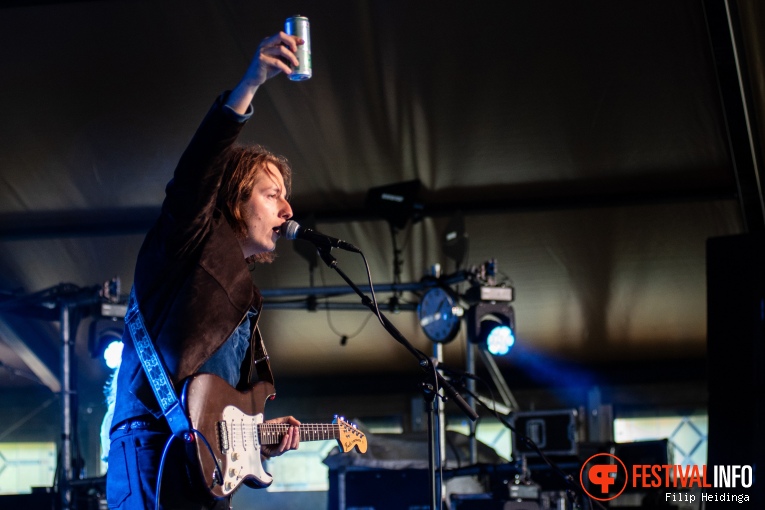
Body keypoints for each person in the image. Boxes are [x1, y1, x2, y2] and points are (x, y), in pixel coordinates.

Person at [106, 30, 304, 510]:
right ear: (235, 195)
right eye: (271, 193)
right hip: (155, 452)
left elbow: (220, 405)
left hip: (207, 472)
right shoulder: (186, 239)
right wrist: (250, 85)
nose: (287, 208)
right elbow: (196, 173)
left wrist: (258, 435)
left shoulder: (248, 297)